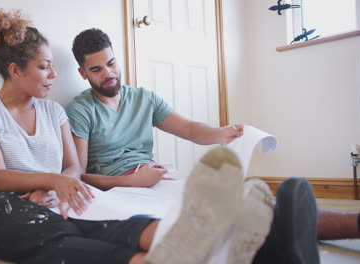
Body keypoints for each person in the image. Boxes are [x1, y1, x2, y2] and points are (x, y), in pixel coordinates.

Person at [0, 9, 285, 264]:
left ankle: (223, 238)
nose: (53, 75)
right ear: (15, 70)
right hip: (3, 205)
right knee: (62, 236)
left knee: (106, 224)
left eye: (53, 66)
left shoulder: (53, 112)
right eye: (45, 67)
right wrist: (53, 183)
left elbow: (71, 168)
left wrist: (57, 185)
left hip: (56, 197)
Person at [64, 28, 358, 261]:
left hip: (157, 180)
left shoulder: (143, 98)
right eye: (97, 69)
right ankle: (281, 248)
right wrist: (129, 183)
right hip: (119, 190)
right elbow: (80, 176)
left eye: (111, 63)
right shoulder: (81, 110)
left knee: (249, 206)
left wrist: (222, 133)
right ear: (83, 73)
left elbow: (191, 129)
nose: (108, 73)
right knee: (211, 222)